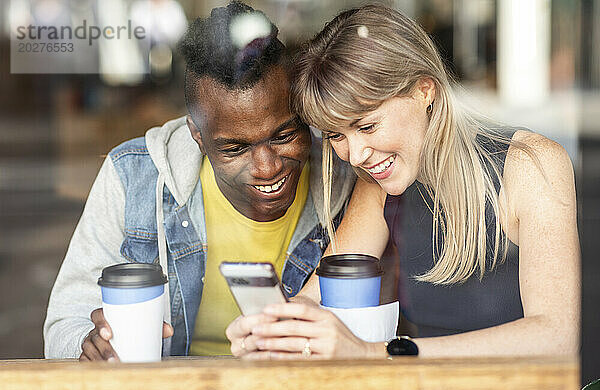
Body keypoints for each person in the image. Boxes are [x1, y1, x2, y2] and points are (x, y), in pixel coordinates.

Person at [225, 4, 580, 359]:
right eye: (336, 135)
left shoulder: (531, 165)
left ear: (424, 91)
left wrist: (375, 352)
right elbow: (313, 298)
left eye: (367, 126)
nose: (356, 154)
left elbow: (557, 336)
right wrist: (275, 330)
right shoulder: (379, 185)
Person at [43, 1, 354, 360]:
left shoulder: (344, 173)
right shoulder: (133, 178)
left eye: (283, 136)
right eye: (235, 148)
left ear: (305, 116)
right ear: (198, 137)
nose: (267, 167)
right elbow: (63, 324)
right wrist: (88, 344)